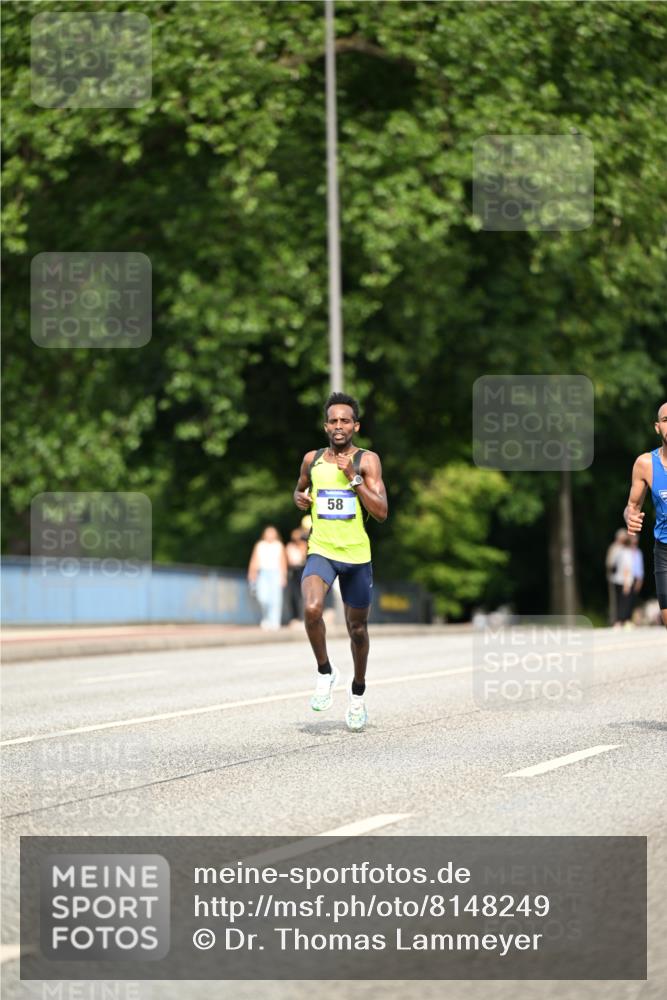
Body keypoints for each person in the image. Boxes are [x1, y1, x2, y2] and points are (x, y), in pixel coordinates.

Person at [293, 392, 388, 731]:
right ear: (325, 426)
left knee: (357, 630)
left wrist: (353, 478)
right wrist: (299, 499)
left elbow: (380, 512)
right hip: (321, 550)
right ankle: (325, 672)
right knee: (312, 609)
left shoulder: (367, 461)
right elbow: (300, 489)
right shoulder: (312, 459)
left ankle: (358, 693)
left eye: (345, 421)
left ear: (355, 426)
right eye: (333, 421)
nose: (338, 426)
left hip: (357, 557)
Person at [623, 401, 667, 629]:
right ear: (657, 427)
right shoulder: (645, 465)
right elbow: (632, 506)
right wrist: (629, 517)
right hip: (664, 548)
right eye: (666, 421)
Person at [247, 526, 287, 630]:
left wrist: (283, 576)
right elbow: (254, 560)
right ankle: (266, 617)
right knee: (262, 597)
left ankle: (275, 621)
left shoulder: (279, 545)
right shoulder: (260, 545)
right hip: (263, 573)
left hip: (276, 573)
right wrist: (252, 573)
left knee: (276, 599)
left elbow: (282, 562)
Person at [609, 532, 634, 628]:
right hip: (624, 580)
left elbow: (612, 565)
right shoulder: (627, 553)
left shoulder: (618, 551)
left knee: (618, 601)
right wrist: (626, 583)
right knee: (625, 602)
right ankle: (622, 621)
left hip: (616, 580)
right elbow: (626, 568)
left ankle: (617, 621)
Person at [284, 527, 307, 624]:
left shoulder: (305, 545)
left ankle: (303, 617)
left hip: (302, 569)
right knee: (293, 595)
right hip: (293, 571)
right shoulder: (290, 546)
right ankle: (295, 617)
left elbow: (304, 557)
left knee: (303, 594)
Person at [605, 528, 627, 625]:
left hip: (624, 578)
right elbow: (609, 563)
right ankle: (614, 620)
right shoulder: (613, 548)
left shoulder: (625, 548)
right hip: (614, 578)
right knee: (615, 600)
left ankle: (622, 619)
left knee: (623, 600)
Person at [629, 533, 644, 620]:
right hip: (627, 577)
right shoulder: (626, 551)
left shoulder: (639, 552)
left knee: (634, 598)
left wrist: (640, 580)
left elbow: (640, 568)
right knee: (627, 598)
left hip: (636, 578)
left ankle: (633, 619)